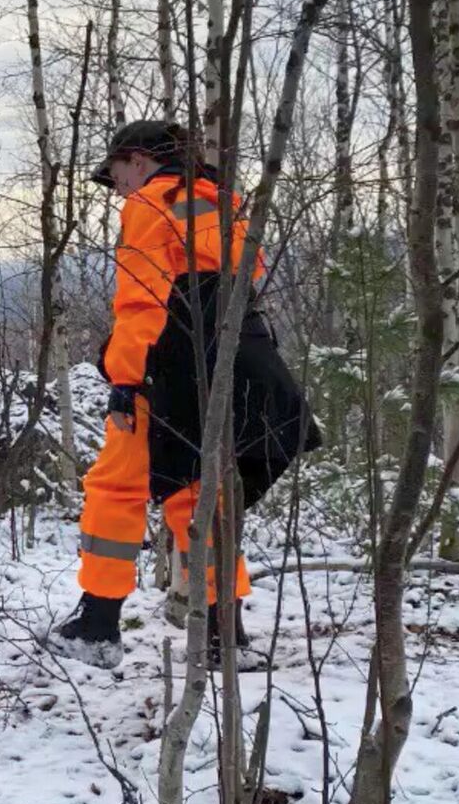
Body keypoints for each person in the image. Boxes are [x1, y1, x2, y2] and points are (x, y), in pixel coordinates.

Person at [46, 120, 321, 669]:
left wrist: (124, 380)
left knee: (115, 487)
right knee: (202, 495)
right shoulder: (226, 203)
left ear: (140, 159)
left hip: (167, 365)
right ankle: (224, 636)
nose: (117, 187)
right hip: (242, 359)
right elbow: (248, 275)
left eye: (117, 173)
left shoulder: (152, 204)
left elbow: (142, 300)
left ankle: (97, 626)